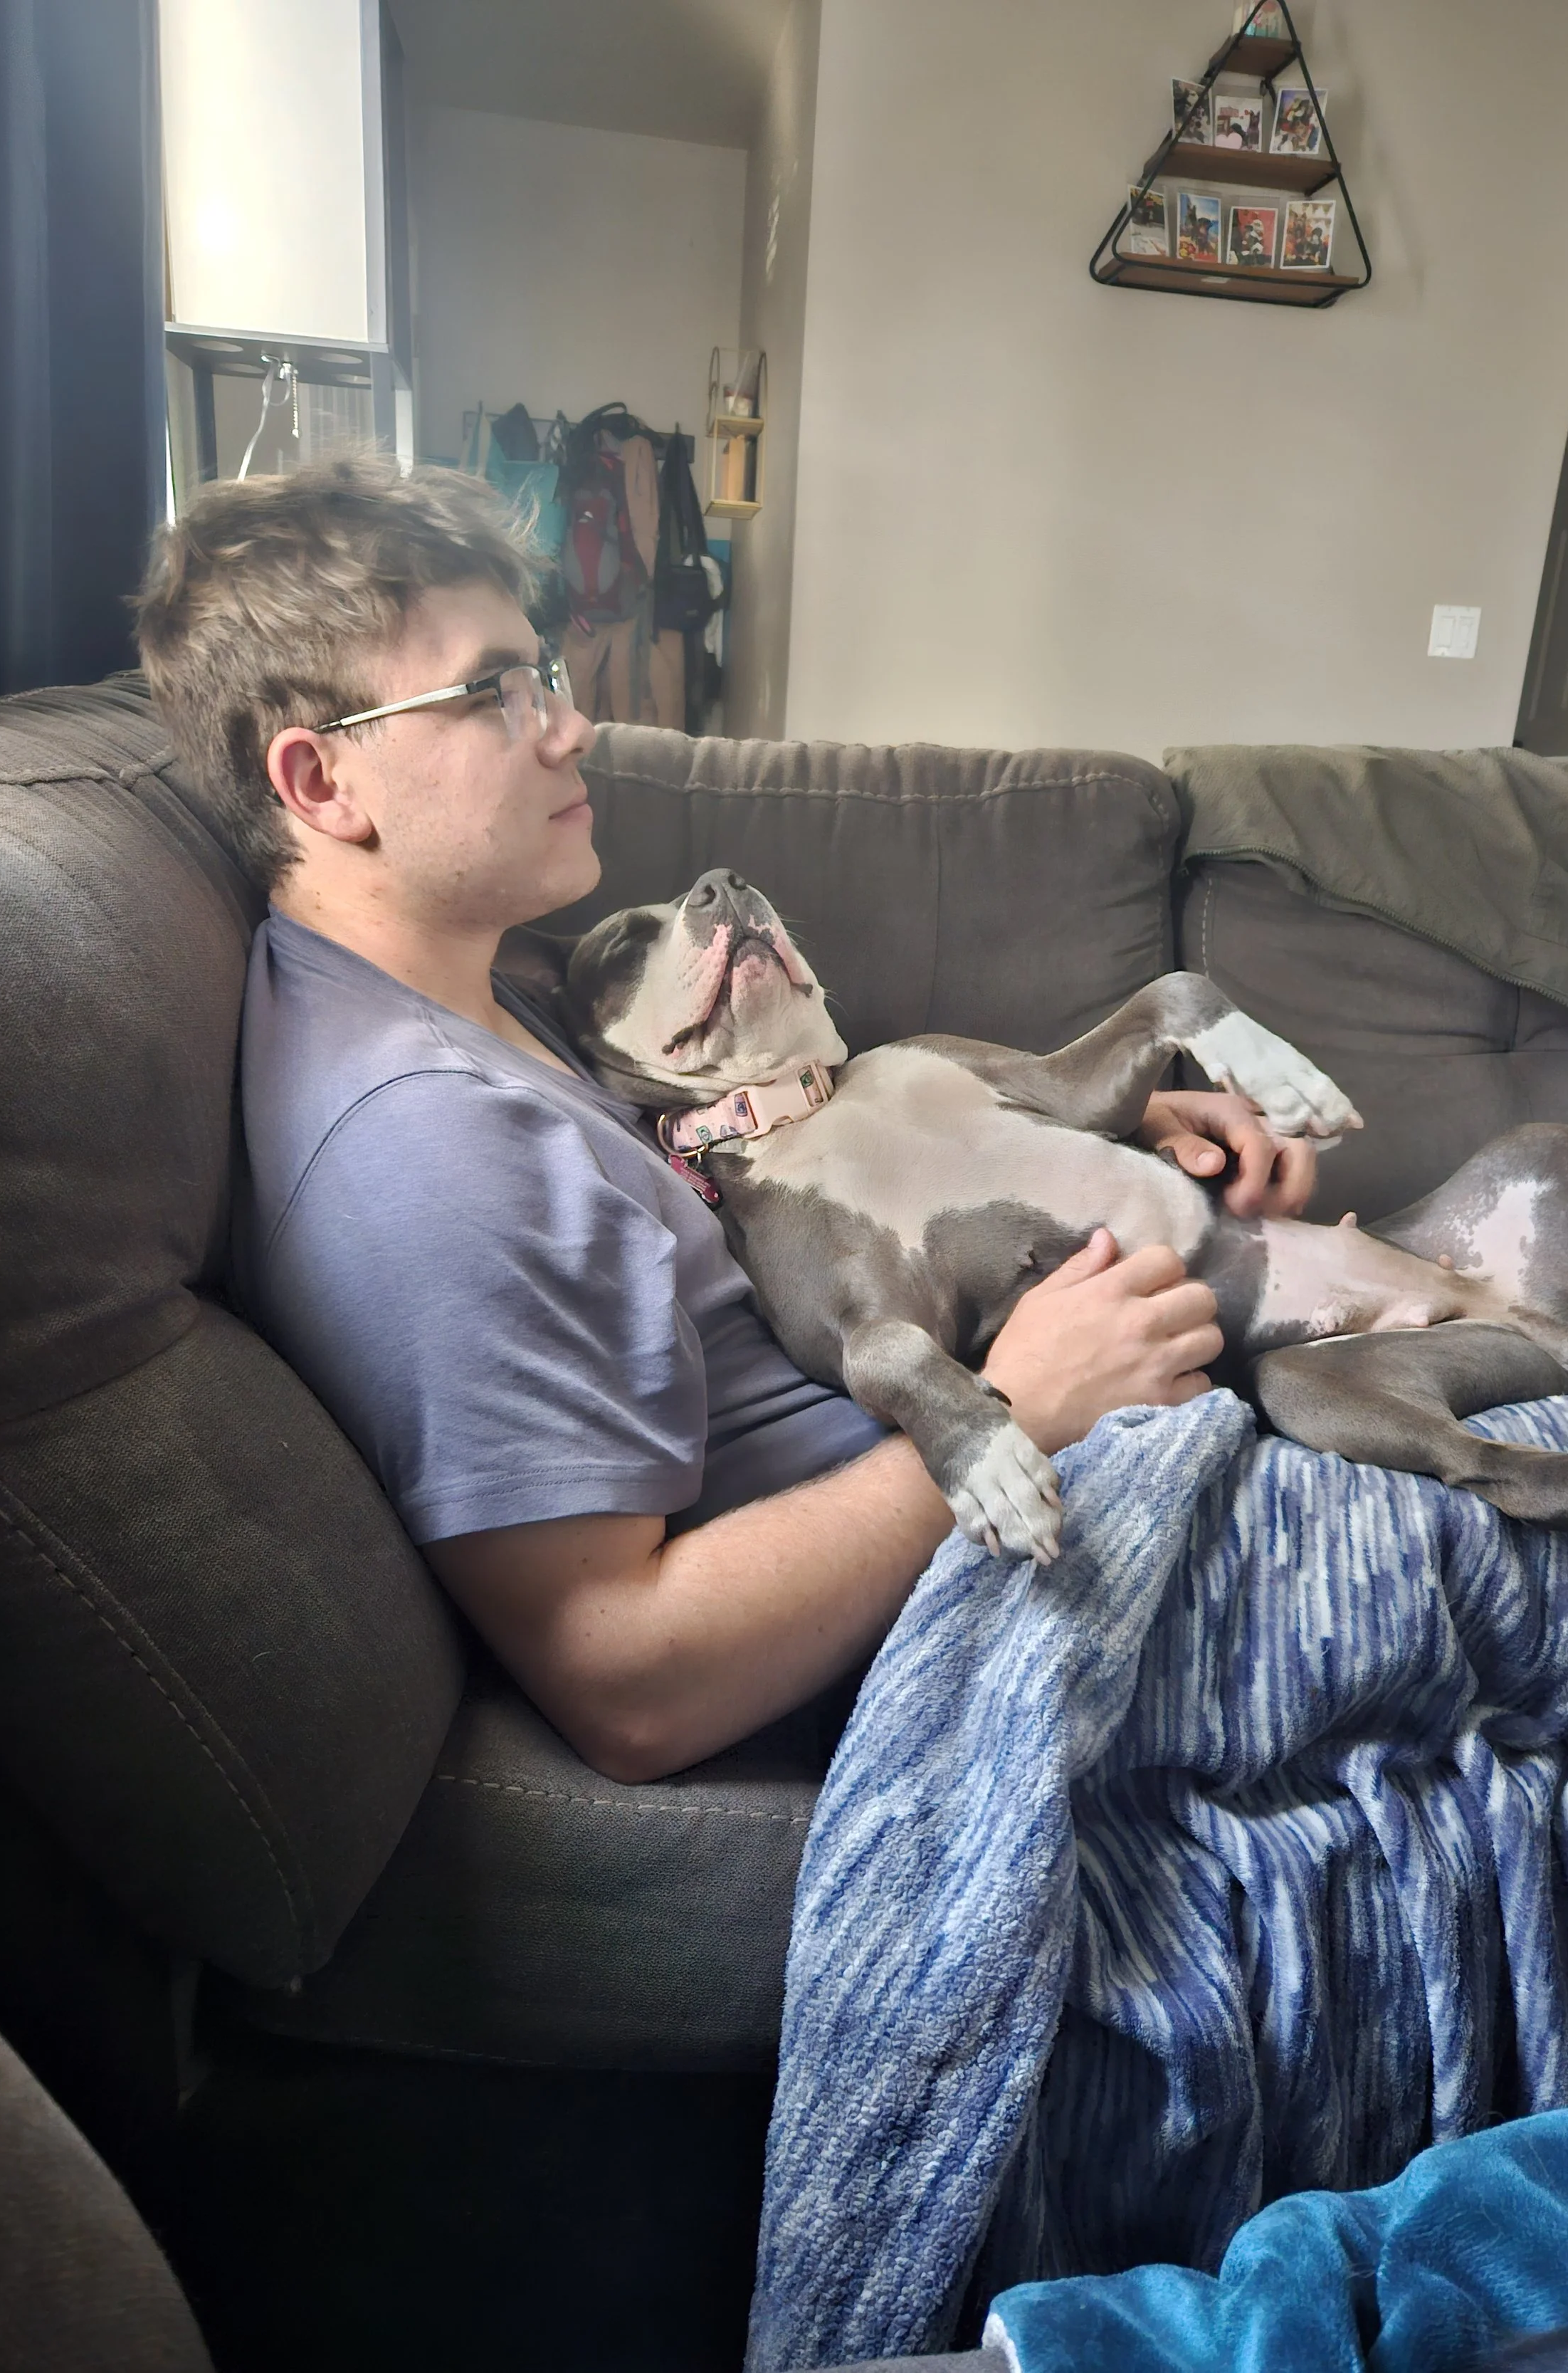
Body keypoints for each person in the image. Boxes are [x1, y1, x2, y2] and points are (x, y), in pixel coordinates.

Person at [135, 456, 1317, 1784]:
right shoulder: (430, 1150)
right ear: (321, 784)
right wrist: (1020, 1410)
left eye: (552, 677)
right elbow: (629, 1682)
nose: (569, 729)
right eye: (493, 693)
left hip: (1055, 1428)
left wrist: (1092, 1128)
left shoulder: (494, 983)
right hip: (1023, 1585)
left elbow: (781, 1155)